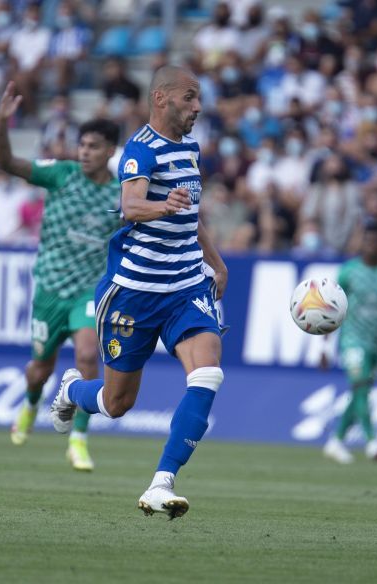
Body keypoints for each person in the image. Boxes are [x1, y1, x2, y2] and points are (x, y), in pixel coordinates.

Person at [48, 65, 228, 519]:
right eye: (190, 97)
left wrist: (216, 259)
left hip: (185, 284)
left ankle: (161, 483)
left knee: (207, 374)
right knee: (116, 403)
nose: (198, 107)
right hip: (134, 291)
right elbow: (129, 205)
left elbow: (191, 214)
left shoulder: (190, 147)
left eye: (199, 98)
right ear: (162, 98)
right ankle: (72, 390)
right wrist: (160, 204)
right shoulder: (139, 150)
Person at [0, 82, 123, 472]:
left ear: (110, 152)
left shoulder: (120, 195)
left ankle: (79, 439)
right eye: (82, 145)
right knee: (41, 368)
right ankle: (32, 402)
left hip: (87, 291)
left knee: (87, 354)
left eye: (94, 146)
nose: (85, 152)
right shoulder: (61, 174)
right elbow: (8, 164)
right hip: (50, 289)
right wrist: (2, 125)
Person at [322, 222, 377, 464]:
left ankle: (336, 440)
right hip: (351, 340)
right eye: (366, 240)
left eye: (375, 241)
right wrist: (324, 346)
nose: (370, 246)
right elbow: (331, 309)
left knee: (360, 391)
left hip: (374, 344)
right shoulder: (349, 271)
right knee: (360, 385)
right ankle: (372, 440)